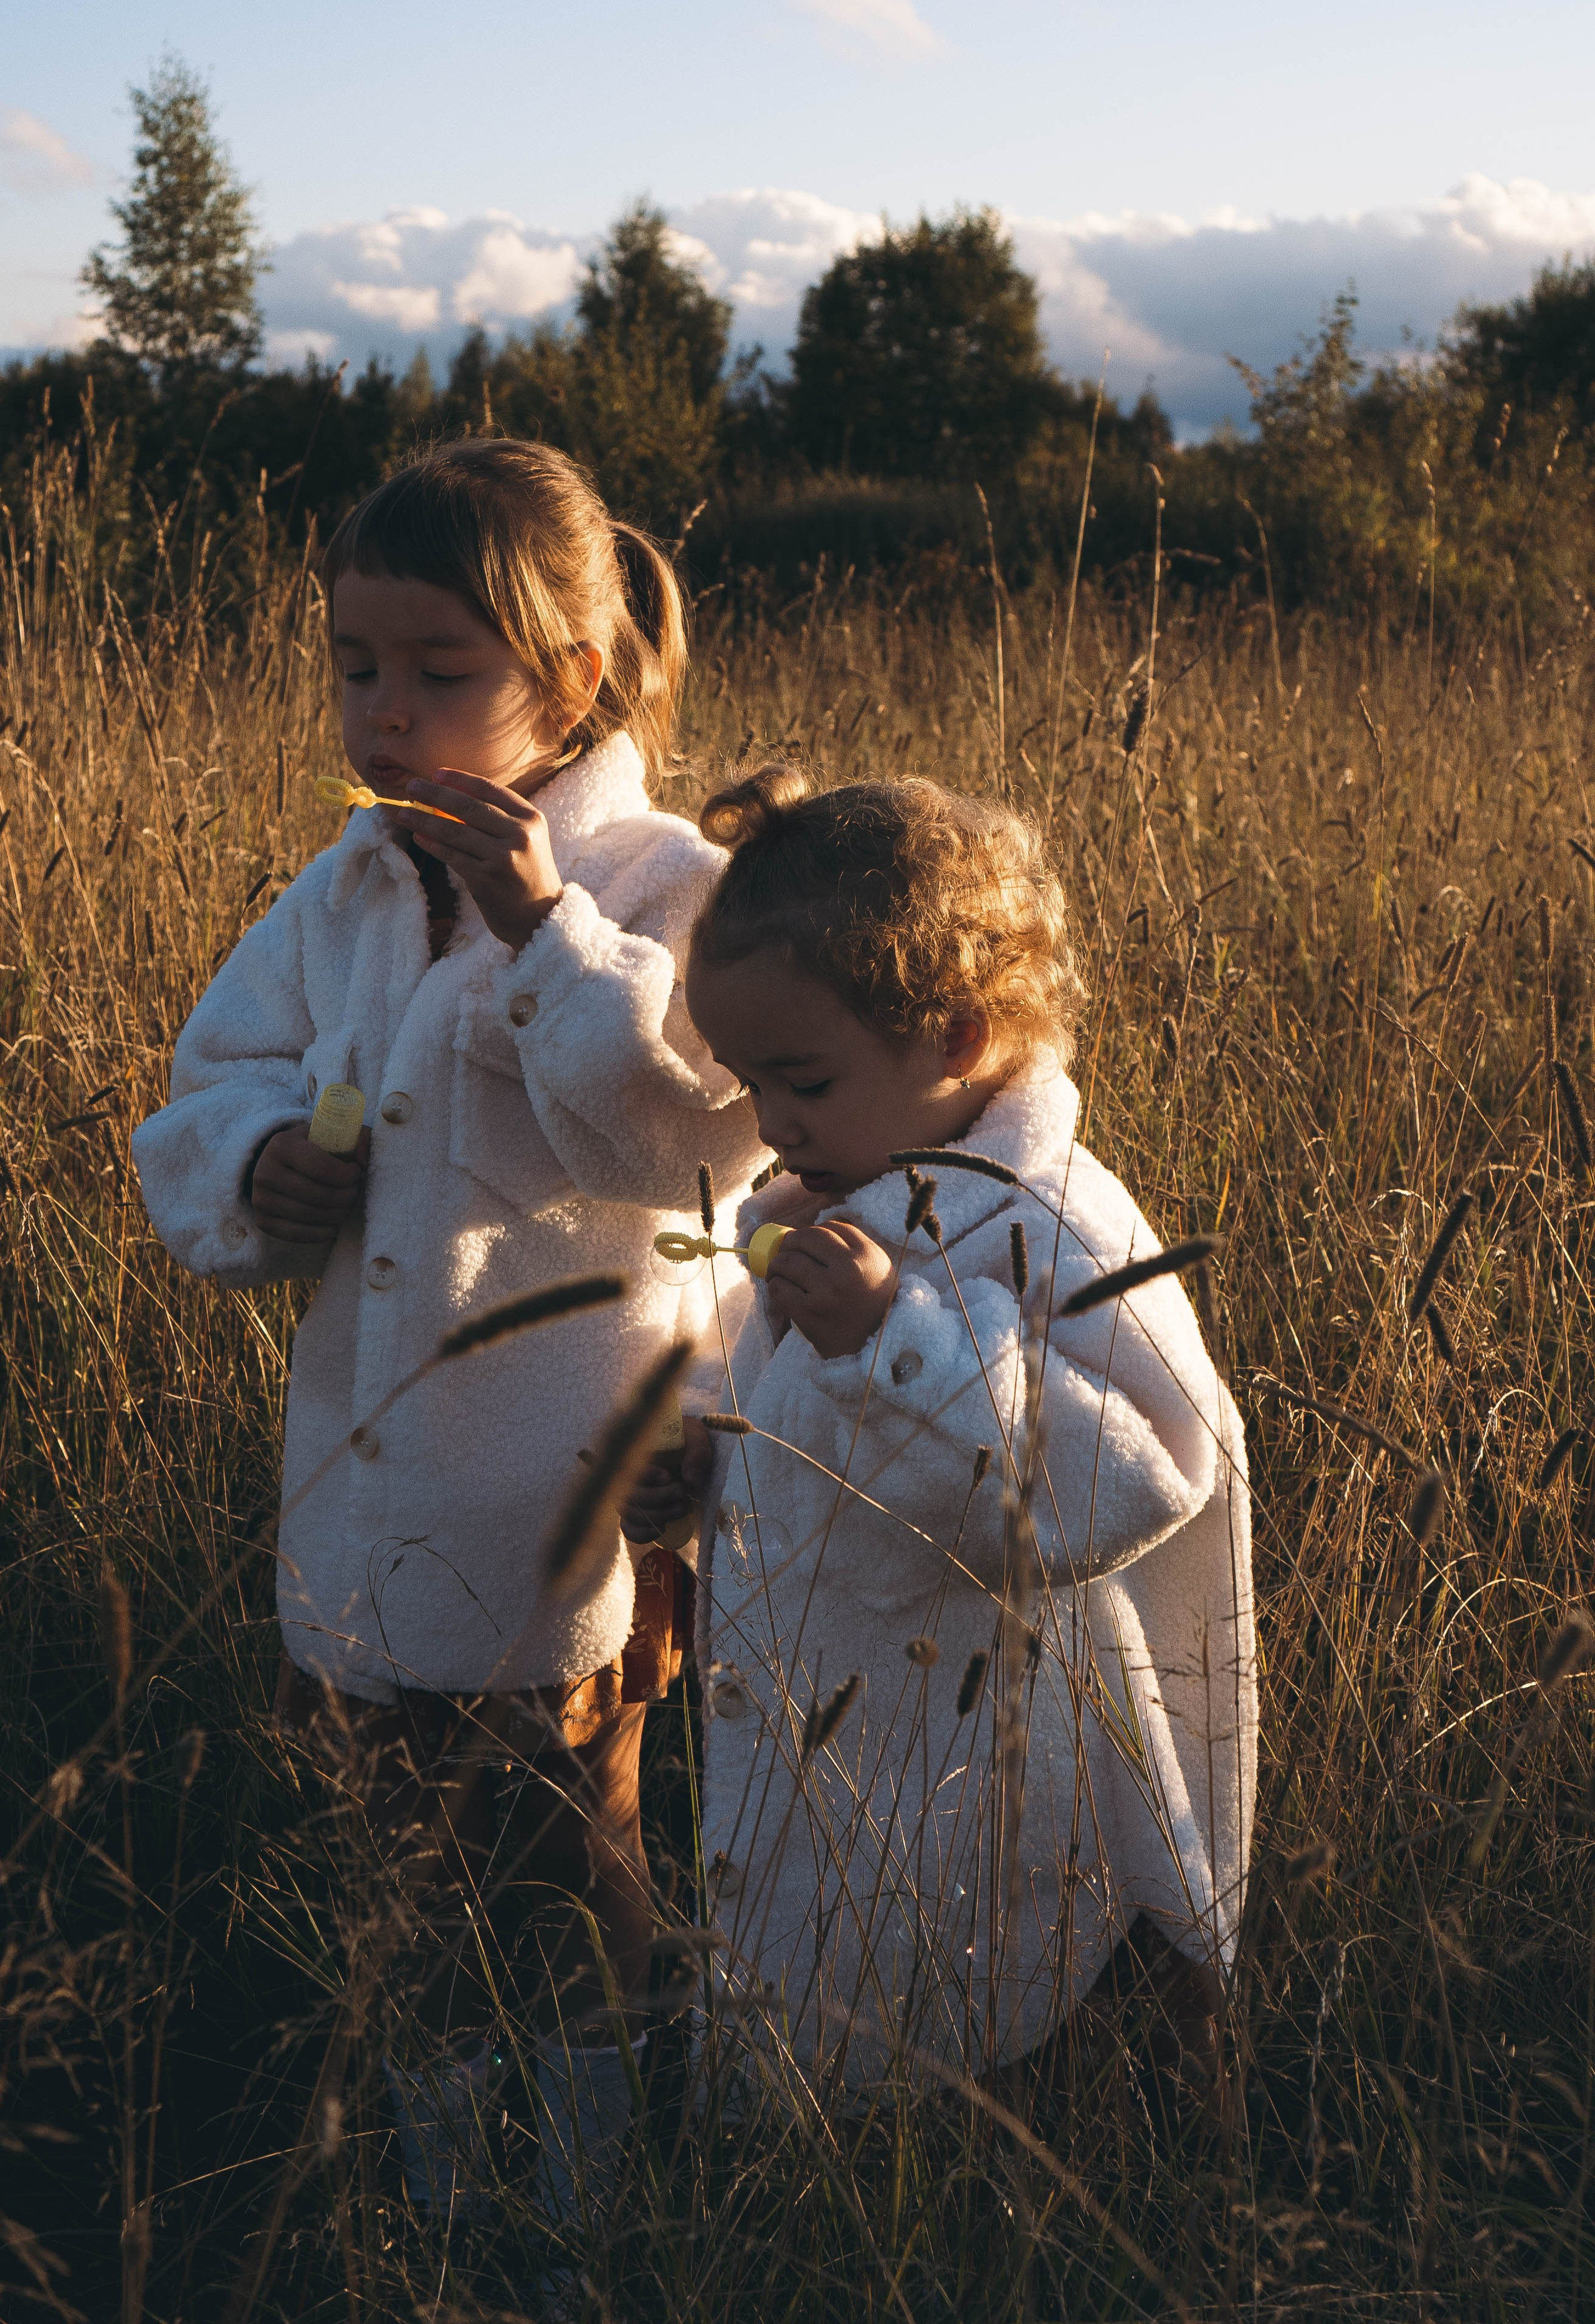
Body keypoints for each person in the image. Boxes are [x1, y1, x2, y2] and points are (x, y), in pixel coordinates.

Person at [132, 441, 764, 2227]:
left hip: (568, 1487)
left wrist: (546, 932)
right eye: (355, 667)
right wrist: (261, 1165)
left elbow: (693, 1137)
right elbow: (217, 1072)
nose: (385, 712)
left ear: (570, 680)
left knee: (571, 1848)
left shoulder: (658, 888)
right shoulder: (346, 885)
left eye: (439, 671)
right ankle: (435, 2193)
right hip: (365, 1477)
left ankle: (579, 2202)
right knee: (392, 1864)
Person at [624, 767, 1255, 2101]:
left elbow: (1144, 1476)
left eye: (803, 1080)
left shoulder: (1059, 1228)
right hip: (837, 1739)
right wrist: (700, 1458)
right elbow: (774, 1403)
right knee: (840, 1988)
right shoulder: (823, 1204)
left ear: (956, 1035)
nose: (772, 1126)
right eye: (750, 1086)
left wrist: (896, 1346)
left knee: (1004, 2029)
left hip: (1004, 1765)